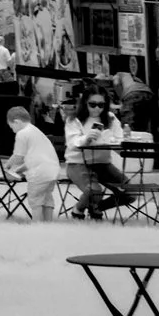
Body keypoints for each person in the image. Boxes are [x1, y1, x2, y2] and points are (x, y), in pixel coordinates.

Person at [64, 92, 135, 223]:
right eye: (92, 104)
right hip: (78, 163)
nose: (97, 108)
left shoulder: (110, 118)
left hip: (103, 163)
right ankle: (78, 209)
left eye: (101, 105)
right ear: (85, 103)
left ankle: (97, 206)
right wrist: (86, 138)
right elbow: (71, 143)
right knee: (94, 190)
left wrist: (115, 141)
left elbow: (119, 139)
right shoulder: (74, 119)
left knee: (131, 192)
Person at [3, 102, 66, 221]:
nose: (13, 130)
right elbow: (34, 159)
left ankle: (37, 224)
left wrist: (8, 165)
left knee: (35, 199)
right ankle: (47, 223)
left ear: (16, 122)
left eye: (12, 127)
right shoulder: (36, 131)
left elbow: (18, 156)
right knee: (47, 197)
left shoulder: (22, 134)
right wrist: (20, 170)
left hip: (39, 173)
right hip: (52, 170)